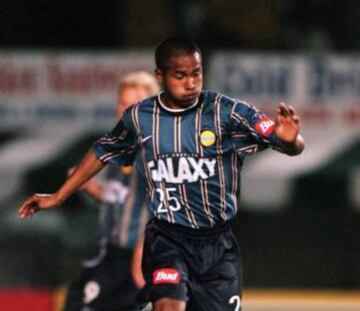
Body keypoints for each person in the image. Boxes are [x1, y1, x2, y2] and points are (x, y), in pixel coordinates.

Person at [19, 37, 305, 311]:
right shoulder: (140, 118)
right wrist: (57, 196)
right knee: (169, 305)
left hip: (217, 245)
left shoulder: (226, 112)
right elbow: (101, 152)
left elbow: (287, 143)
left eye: (197, 73)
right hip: (168, 238)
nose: (191, 83)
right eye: (180, 75)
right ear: (160, 75)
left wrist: (291, 141)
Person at [62, 71, 160, 311]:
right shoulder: (118, 146)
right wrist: (90, 186)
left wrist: (142, 253)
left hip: (136, 255)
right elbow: (120, 197)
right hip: (112, 252)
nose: (124, 110)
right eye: (121, 103)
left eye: (132, 105)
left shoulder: (153, 151)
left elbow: (163, 206)